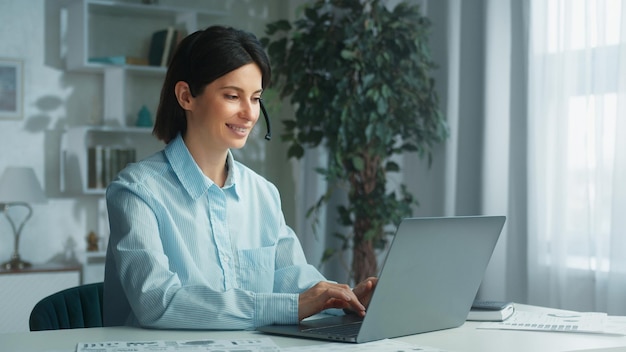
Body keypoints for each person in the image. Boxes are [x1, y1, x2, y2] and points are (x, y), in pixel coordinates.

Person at [103, 25, 377, 330]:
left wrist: (344, 301)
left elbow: (295, 280)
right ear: (186, 96)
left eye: (256, 98)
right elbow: (157, 302)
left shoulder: (262, 193)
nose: (250, 113)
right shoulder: (136, 191)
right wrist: (291, 306)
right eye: (233, 96)